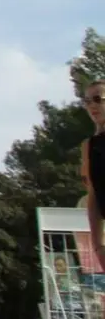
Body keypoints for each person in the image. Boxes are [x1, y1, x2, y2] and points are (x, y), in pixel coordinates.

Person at [85, 79, 105, 256]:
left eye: (98, 99)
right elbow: (93, 195)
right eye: (88, 101)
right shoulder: (91, 145)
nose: (92, 105)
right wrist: (98, 245)